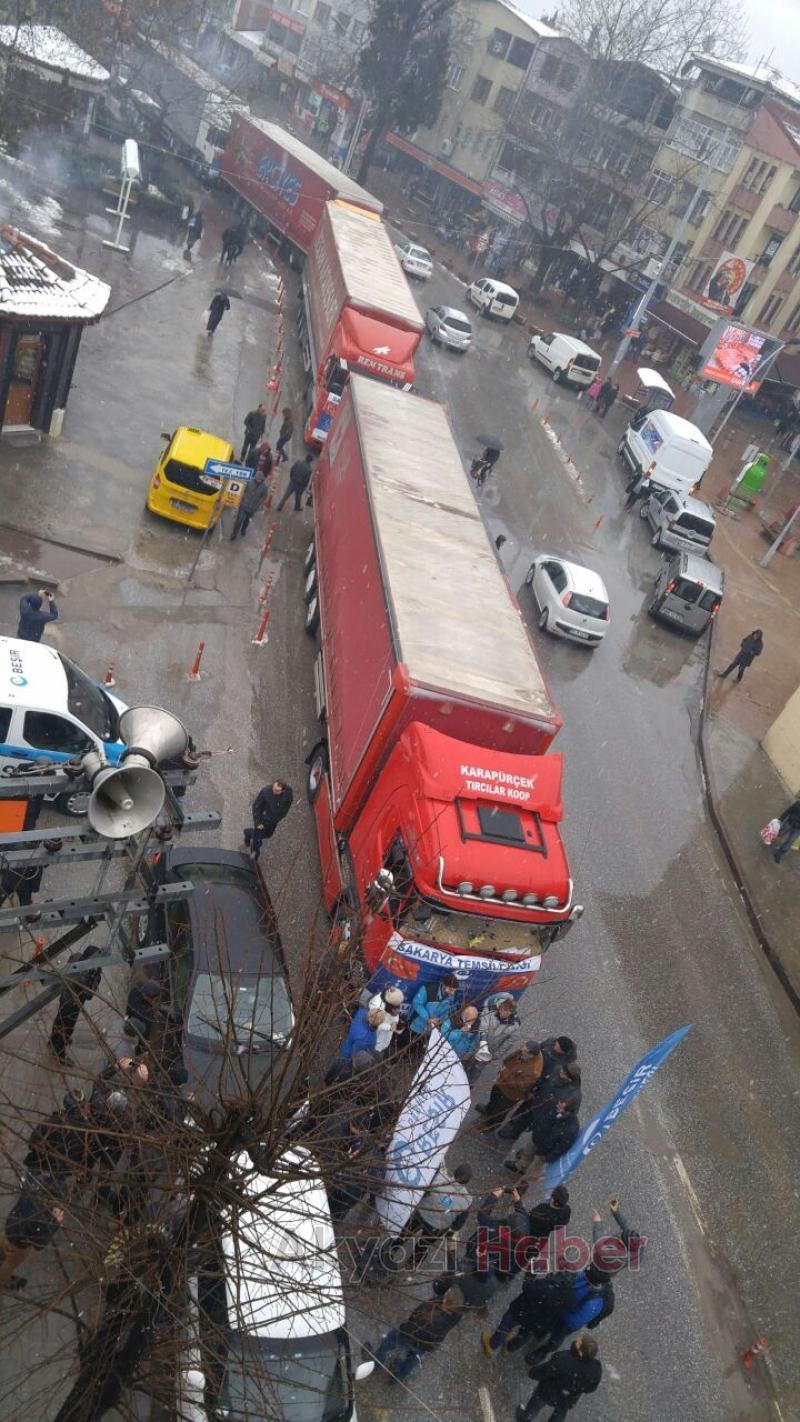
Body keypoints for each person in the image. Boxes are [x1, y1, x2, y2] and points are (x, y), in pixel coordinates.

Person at [366, 1286, 466, 1383]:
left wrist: (403, 1328)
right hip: (427, 1344)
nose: (444, 1293)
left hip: (411, 1336)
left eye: (447, 1293)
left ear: (446, 1300)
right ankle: (398, 1377)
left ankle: (376, 1363)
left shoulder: (432, 1315)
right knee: (412, 1360)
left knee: (389, 1342)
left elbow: (414, 1326)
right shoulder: (456, 1316)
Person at [482, 1269, 574, 1357]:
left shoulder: (544, 1286)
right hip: (537, 1321)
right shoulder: (569, 1297)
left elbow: (527, 1287)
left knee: (506, 1325)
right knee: (525, 1334)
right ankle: (509, 1348)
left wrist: (529, 1275)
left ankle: (492, 1346)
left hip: (521, 1310)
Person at [517, 1335, 602, 1421]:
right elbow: (590, 1389)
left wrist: (532, 1373)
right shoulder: (596, 1369)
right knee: (560, 1412)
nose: (577, 1339)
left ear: (581, 1352)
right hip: (568, 1397)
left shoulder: (562, 1359)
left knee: (535, 1405)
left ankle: (525, 1418)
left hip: (548, 1391)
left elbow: (544, 1371)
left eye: (579, 1342)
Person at [48, 943, 106, 1065]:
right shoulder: (86, 976)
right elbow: (89, 995)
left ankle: (52, 1041)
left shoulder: (77, 957)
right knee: (67, 1028)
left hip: (64, 996)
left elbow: (71, 960)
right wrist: (96, 978)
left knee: (59, 1020)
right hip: (72, 1004)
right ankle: (59, 1054)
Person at [406, 1163, 473, 1266]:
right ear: (467, 1181)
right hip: (437, 1227)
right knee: (423, 1245)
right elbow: (458, 1224)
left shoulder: (438, 1178)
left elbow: (422, 1194)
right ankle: (411, 1264)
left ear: (455, 1172)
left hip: (420, 1214)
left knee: (406, 1232)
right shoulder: (467, 1200)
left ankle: (392, 1249)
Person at [0, 1185, 65, 1290]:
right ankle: (2, 1280)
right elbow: (39, 1244)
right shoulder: (40, 1218)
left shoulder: (31, 1195)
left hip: (9, 1230)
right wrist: (55, 1223)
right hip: (19, 1244)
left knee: (3, 1247)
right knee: (10, 1264)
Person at [476, 1041, 544, 1131]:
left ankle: (491, 1126)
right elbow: (511, 1058)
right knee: (494, 1099)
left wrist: (505, 1072)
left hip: (510, 1094)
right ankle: (489, 1110)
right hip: (502, 1083)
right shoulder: (526, 1052)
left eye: (524, 1051)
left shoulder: (533, 1071)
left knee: (500, 1111)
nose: (521, 1050)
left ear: (531, 1055)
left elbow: (518, 1084)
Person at [504, 1098, 580, 1177]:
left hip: (545, 1151)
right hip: (536, 1138)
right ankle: (520, 1167)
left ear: (568, 1112)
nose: (557, 1106)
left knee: (535, 1168)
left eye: (561, 1107)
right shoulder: (554, 1107)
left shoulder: (571, 1128)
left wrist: (548, 1157)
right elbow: (542, 1117)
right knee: (527, 1153)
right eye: (559, 1103)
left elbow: (562, 1147)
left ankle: (525, 1184)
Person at [586, 1195, 645, 1284]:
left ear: (622, 1243)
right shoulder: (637, 1245)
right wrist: (616, 1212)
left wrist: (597, 1222)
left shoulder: (613, 1254)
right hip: (611, 1272)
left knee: (590, 1276)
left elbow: (598, 1243)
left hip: (600, 1269)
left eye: (620, 1237)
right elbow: (626, 1227)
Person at [244, 780, 293, 859]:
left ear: (283, 790)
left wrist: (282, 815)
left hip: (273, 821)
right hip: (262, 821)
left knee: (268, 835)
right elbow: (256, 807)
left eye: (277, 790)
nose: (273, 791)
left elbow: (288, 803)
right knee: (257, 841)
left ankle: (247, 832)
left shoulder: (288, 792)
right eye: (273, 788)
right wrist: (258, 822)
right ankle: (254, 856)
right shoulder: (265, 792)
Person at [476, 992, 521, 1064]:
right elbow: (483, 1027)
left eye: (507, 1011)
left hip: (491, 1050)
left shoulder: (515, 1025)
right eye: (502, 1009)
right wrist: (482, 1045)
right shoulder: (490, 1011)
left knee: (478, 1068)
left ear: (511, 1012)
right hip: (477, 1043)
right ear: (500, 1007)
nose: (502, 1013)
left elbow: (510, 1042)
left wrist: (497, 1055)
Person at [124, 977, 165, 1049]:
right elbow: (145, 1030)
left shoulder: (137, 988)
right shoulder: (146, 1014)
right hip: (134, 1021)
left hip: (130, 1017)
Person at [230, 467, 269, 540]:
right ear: (255, 478)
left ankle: (243, 529)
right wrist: (242, 499)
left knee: (247, 520)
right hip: (244, 505)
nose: (259, 481)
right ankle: (234, 533)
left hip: (253, 508)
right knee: (239, 519)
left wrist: (259, 504)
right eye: (258, 479)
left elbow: (264, 496)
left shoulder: (264, 487)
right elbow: (242, 490)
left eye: (261, 480)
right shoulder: (249, 482)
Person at [366, 985, 405, 1054]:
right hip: (374, 1043)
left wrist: (395, 1022)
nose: (398, 1008)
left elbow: (394, 1013)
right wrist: (389, 1027)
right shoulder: (376, 1006)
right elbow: (372, 1025)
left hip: (385, 1041)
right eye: (396, 1006)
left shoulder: (391, 999)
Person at [772, 798, 800, 864]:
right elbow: (789, 810)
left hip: (798, 829)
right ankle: (771, 838)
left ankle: (778, 854)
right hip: (790, 823)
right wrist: (781, 819)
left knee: (789, 842)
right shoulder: (798, 803)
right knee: (780, 833)